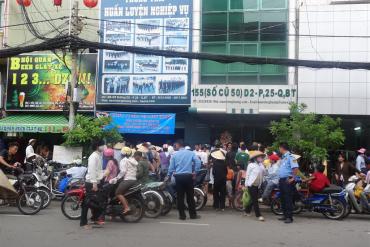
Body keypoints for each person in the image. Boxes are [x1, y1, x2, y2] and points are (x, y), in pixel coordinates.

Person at [167, 139, 201, 220]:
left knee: (180, 197)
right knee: (190, 197)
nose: (175, 146)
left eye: (175, 145)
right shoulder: (191, 153)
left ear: (178, 145)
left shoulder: (174, 155)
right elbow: (198, 162)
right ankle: (193, 215)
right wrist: (195, 172)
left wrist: (168, 175)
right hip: (188, 177)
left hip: (178, 177)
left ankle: (182, 216)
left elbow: (171, 168)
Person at [80, 140, 105, 229]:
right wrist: (94, 183)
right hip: (91, 183)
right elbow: (92, 171)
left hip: (96, 182)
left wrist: (103, 174)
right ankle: (83, 223)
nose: (104, 147)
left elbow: (98, 170)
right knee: (88, 203)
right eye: (102, 145)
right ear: (98, 146)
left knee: (98, 202)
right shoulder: (93, 156)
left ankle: (94, 218)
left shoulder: (99, 155)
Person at [278, 142, 299, 224]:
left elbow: (295, 168)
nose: (279, 149)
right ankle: (285, 215)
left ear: (282, 148)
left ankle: (289, 217)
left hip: (287, 180)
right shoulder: (283, 158)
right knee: (282, 198)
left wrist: (293, 178)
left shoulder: (291, 156)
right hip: (282, 180)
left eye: (279, 148)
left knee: (288, 199)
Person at [244, 151, 266, 222]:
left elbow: (265, 173)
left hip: (257, 185)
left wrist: (262, 165)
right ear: (256, 158)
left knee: (252, 199)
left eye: (261, 157)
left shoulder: (261, 165)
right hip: (251, 185)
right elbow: (247, 175)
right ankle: (258, 215)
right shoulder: (251, 165)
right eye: (259, 157)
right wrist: (246, 185)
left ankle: (247, 211)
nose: (261, 158)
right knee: (255, 200)